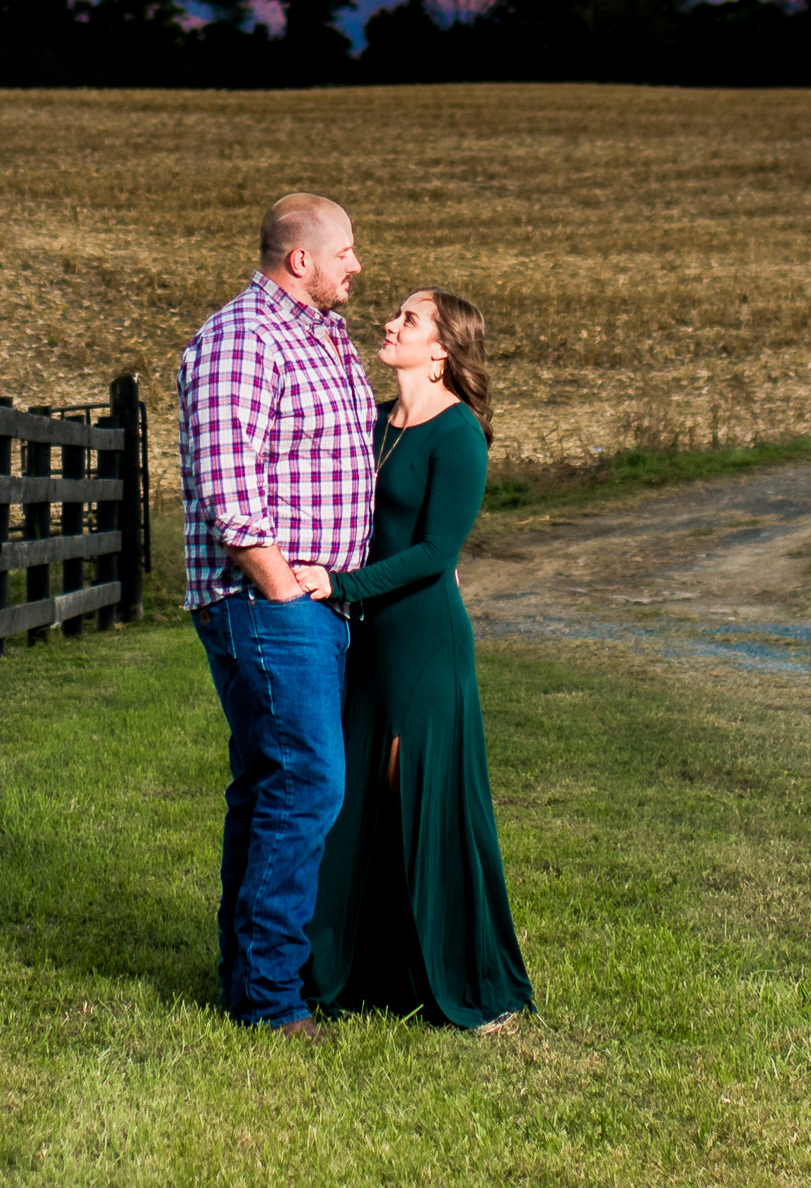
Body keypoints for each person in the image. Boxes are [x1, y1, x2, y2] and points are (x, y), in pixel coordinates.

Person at [297, 285, 533, 1030]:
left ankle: (467, 976)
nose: (389, 324)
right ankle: (356, 973)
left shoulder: (459, 433)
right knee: (357, 803)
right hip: (368, 640)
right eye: (395, 313)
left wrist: (339, 584)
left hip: (426, 641)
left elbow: (436, 554)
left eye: (409, 318)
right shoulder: (375, 421)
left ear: (441, 350)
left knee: (426, 804)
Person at [179, 190, 380, 1034]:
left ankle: (245, 976)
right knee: (307, 781)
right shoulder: (243, 338)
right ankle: (270, 1000)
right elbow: (228, 488)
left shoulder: (322, 334)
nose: (357, 266)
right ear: (300, 259)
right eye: (345, 253)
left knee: (269, 782)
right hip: (269, 603)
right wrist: (279, 583)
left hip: (309, 602)